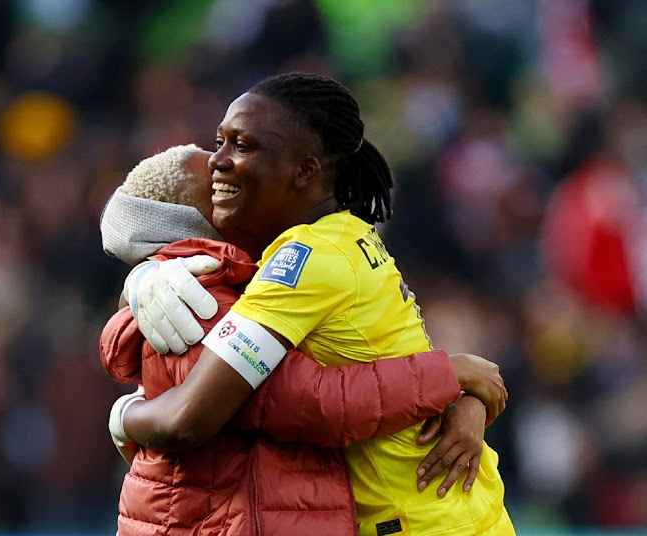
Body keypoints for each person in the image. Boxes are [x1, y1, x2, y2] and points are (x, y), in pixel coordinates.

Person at [115, 72, 515, 535]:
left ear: (304, 171)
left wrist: (126, 416)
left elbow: (192, 418)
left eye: (242, 146)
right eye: (219, 141)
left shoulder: (301, 261)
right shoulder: (346, 235)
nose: (217, 162)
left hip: (419, 518)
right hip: (455, 510)